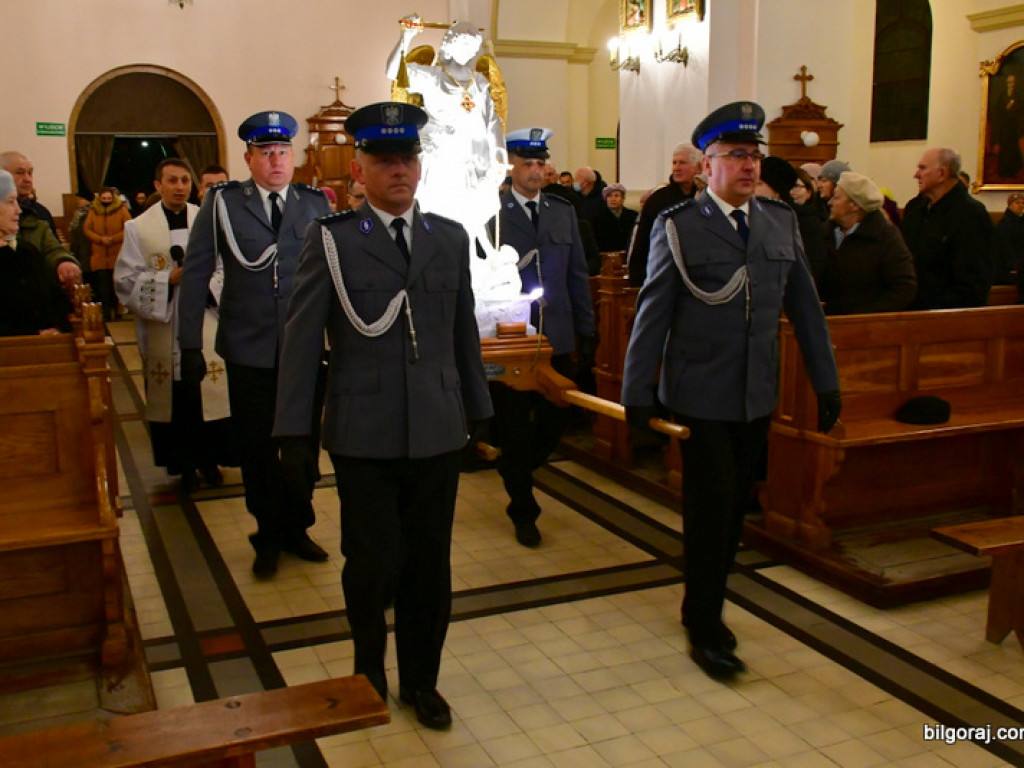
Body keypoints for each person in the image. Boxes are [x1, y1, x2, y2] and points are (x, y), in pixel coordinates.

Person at [273, 102, 492, 730]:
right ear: (359, 170)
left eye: (408, 159)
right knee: (371, 566)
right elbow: (301, 336)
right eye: (385, 160)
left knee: (430, 566)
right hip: (363, 433)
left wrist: (477, 406)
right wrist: (293, 430)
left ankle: (422, 680)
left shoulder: (447, 238)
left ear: (420, 168)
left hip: (435, 429)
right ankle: (368, 670)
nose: (399, 170)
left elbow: (460, 335)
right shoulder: (334, 241)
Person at [621, 102, 840, 681]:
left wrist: (826, 380)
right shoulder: (680, 225)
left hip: (755, 393)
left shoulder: (778, 221)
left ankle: (708, 601)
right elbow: (653, 312)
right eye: (736, 155)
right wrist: (637, 391)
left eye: (754, 155)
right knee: (710, 511)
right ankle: (705, 620)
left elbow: (805, 311)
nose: (749, 165)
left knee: (735, 509)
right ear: (707, 166)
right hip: (699, 394)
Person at [178, 110, 332, 579]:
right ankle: (268, 535)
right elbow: (197, 272)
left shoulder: (315, 203)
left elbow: (334, 277)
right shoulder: (223, 203)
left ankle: (297, 525)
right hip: (250, 351)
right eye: (266, 153)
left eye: (283, 151)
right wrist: (189, 345)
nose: (276, 160)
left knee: (303, 449)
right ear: (249, 158)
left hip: (305, 351)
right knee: (259, 451)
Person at [489, 127, 596, 547]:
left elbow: (575, 275)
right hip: (511, 335)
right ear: (511, 166)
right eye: (526, 163)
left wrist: (586, 330)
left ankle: (514, 467)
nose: (535, 171)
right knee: (513, 425)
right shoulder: (493, 212)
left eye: (540, 163)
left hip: (558, 332)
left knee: (557, 418)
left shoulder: (561, 210)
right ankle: (523, 508)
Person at [114, 158, 233, 492]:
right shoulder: (137, 228)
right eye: (172, 180)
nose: (179, 186)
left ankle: (211, 461)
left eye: (184, 180)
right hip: (164, 323)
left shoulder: (207, 221)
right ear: (158, 185)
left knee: (208, 393)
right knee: (176, 400)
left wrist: (204, 284)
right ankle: (184, 466)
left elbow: (226, 269)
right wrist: (169, 279)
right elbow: (125, 280)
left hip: (206, 321)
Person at [386, 16, 507, 265]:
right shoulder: (432, 77)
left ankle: (473, 265)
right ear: (449, 45)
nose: (467, 51)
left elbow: (492, 121)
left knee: (472, 218)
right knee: (440, 216)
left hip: (472, 160)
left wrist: (498, 155)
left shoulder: (480, 83)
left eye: (472, 47)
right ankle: (437, 263)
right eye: (462, 44)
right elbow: (393, 71)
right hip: (441, 159)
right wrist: (406, 37)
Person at [901, 148, 994, 309]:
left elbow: (974, 282)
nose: (916, 175)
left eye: (923, 168)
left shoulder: (970, 214)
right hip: (909, 307)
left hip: (946, 315)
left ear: (942, 174)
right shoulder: (915, 208)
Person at [819, 171, 917, 314]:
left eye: (837, 197)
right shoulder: (825, 233)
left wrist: (865, 315)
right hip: (827, 321)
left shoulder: (885, 236)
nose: (830, 202)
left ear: (854, 205)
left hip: (866, 326)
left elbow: (904, 287)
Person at [0, 169, 71, 336]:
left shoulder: (26, 251)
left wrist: (59, 328)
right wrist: (33, 334)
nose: (18, 210)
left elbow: (57, 299)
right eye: (11, 202)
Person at [628, 143, 701, 286]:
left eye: (683, 163)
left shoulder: (704, 197)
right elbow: (642, 241)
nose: (676, 168)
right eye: (674, 163)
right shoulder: (658, 199)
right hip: (663, 272)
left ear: (698, 167)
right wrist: (637, 280)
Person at [757, 156, 827, 281]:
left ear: (776, 191)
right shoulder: (755, 216)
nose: (752, 189)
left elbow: (810, 268)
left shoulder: (801, 220)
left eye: (759, 184)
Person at [84, 186, 132, 321]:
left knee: (116, 285)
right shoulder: (93, 211)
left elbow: (128, 228)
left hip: (117, 253)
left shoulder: (121, 210)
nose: (106, 200)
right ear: (99, 198)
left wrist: (113, 238)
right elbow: (87, 229)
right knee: (103, 286)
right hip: (99, 254)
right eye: (104, 198)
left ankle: (118, 311)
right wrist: (100, 239)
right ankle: (105, 313)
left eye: (109, 198)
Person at [0, 151, 58, 236]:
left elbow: (54, 247)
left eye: (30, 173)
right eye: (19, 173)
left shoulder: (40, 212)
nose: (27, 179)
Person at [592, 182, 638, 254]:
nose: (613, 199)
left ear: (623, 199)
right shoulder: (598, 218)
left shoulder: (633, 216)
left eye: (616, 196)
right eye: (609, 196)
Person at [995, 192, 1024, 284]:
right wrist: (1014, 265)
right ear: (1010, 205)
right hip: (1010, 267)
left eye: (1022, 203)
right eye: (1017, 203)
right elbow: (1004, 248)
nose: (1020, 205)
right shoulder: (1005, 224)